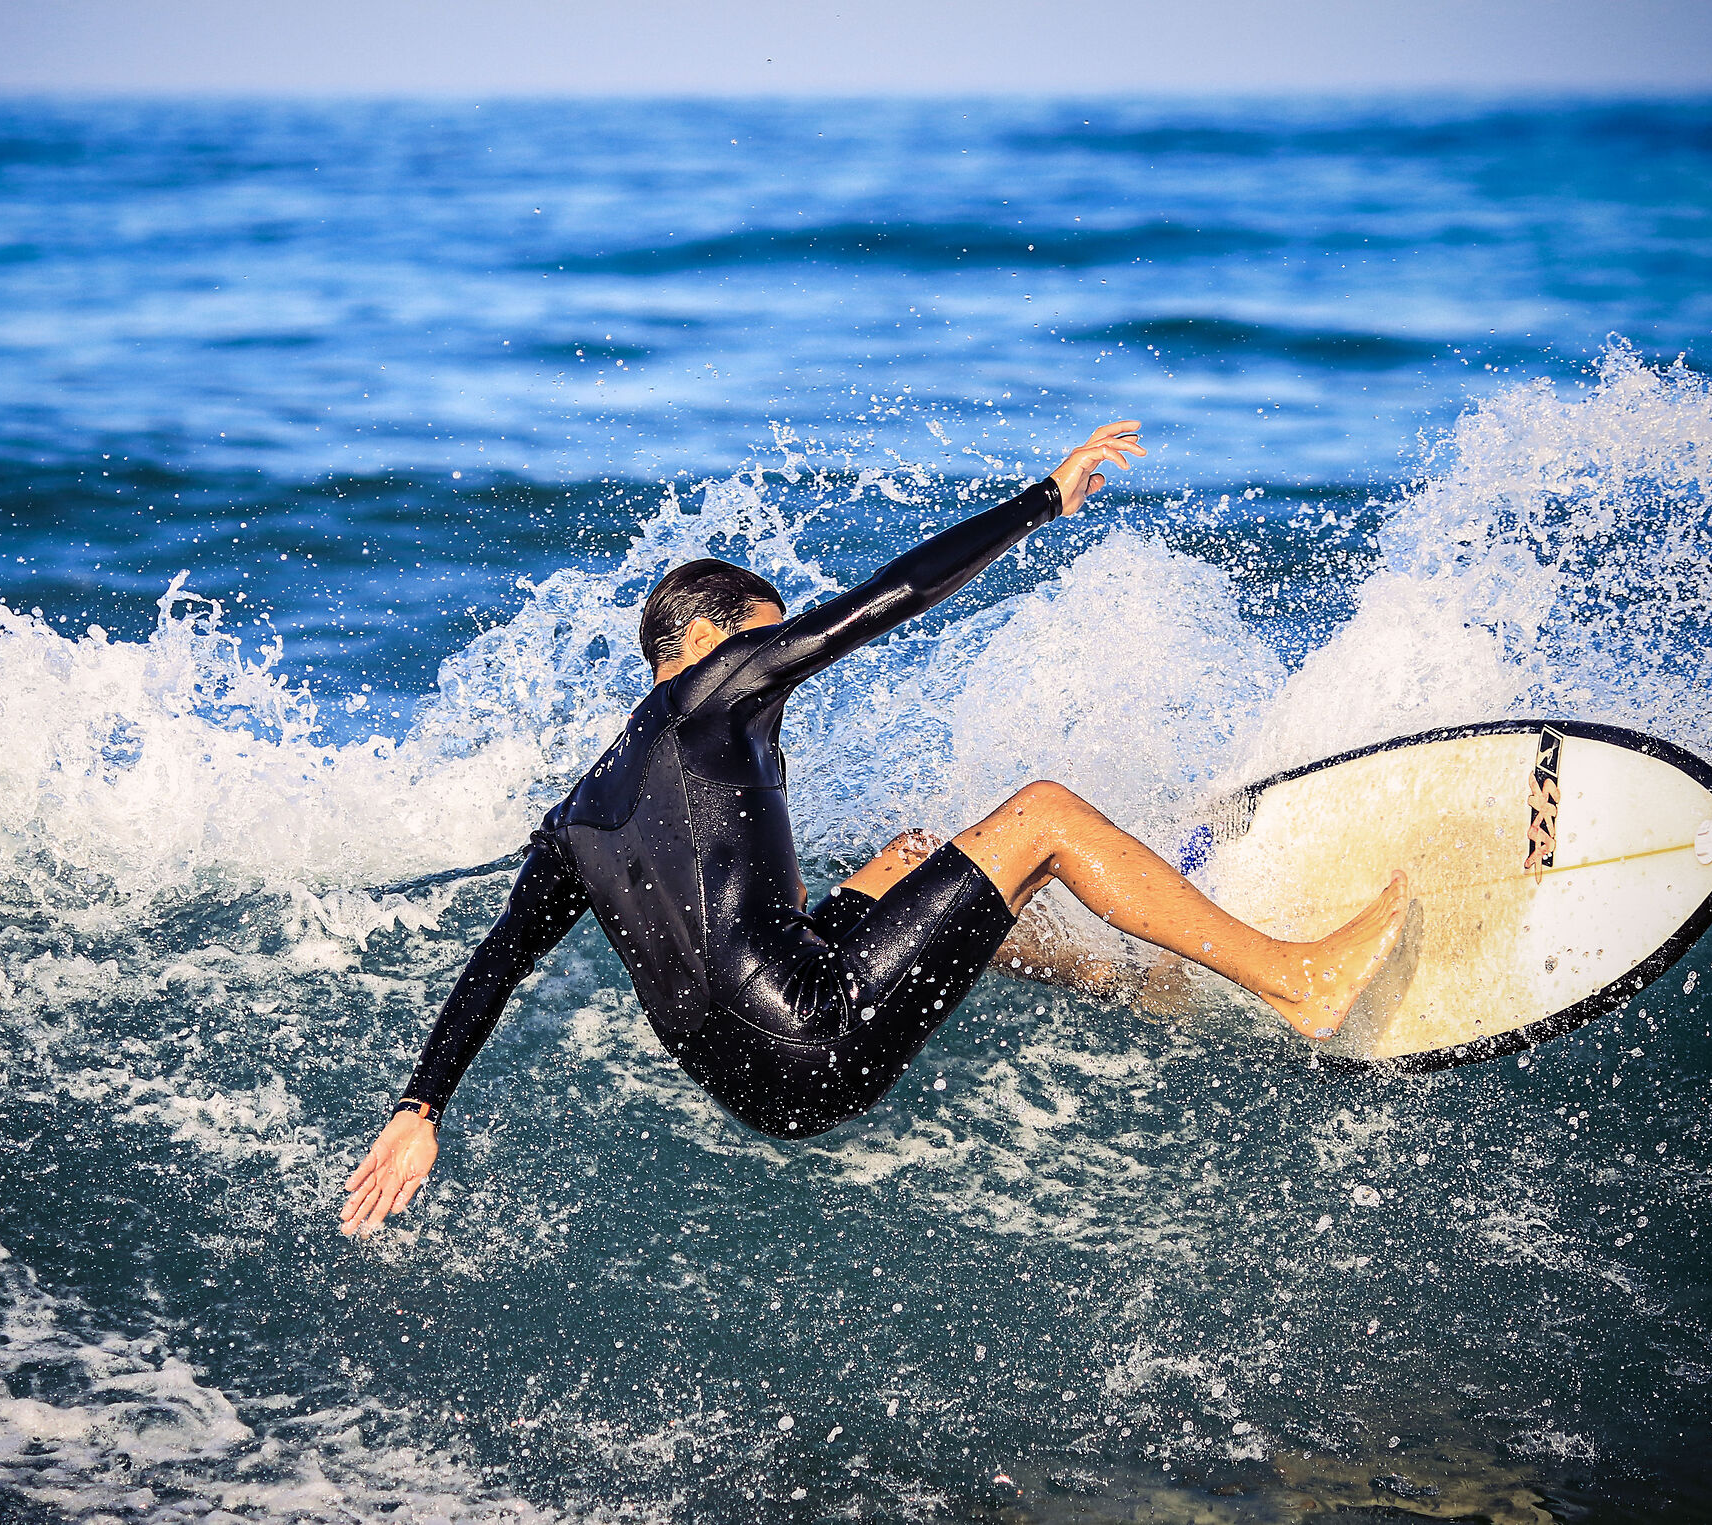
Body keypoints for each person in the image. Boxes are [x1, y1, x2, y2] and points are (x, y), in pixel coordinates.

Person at [342, 420, 1407, 1237]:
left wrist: (420, 1105)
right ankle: (1293, 981)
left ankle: (1146, 981)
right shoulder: (718, 684)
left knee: (925, 872)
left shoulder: (578, 816)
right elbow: (884, 599)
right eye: (768, 647)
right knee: (1040, 814)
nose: (780, 676)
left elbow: (500, 959)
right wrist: (1044, 498)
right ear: (710, 639)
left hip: (757, 1086)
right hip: (810, 1028)